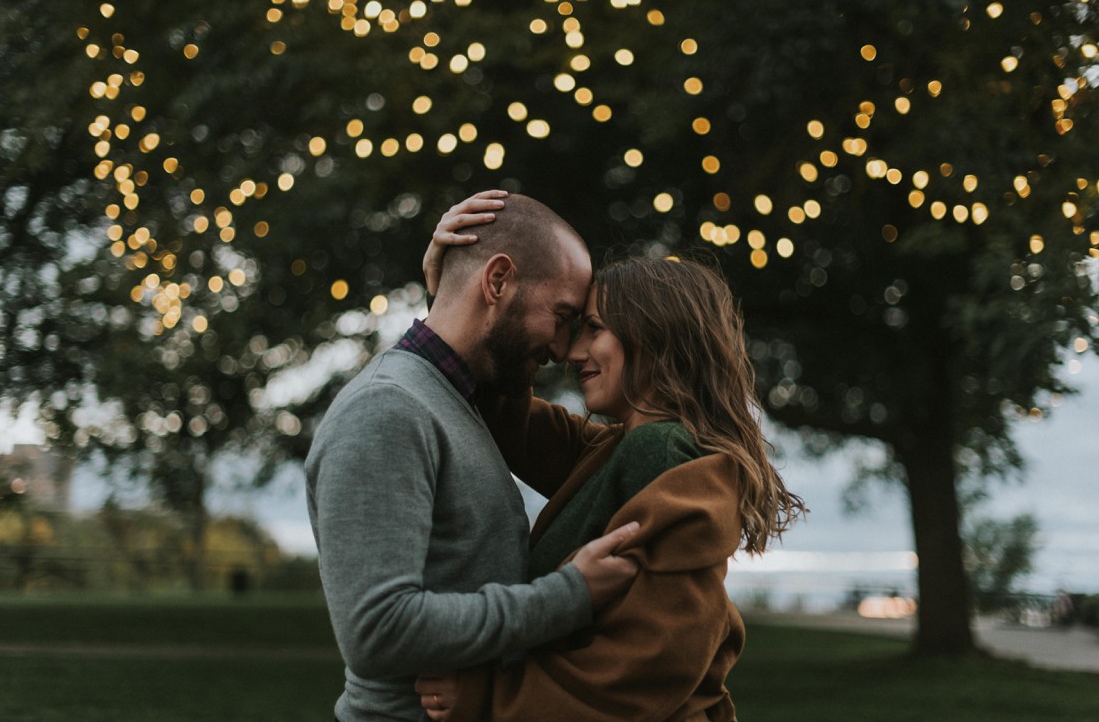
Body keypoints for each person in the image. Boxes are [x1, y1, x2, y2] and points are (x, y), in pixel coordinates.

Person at [416, 194, 805, 721]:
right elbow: (508, 412)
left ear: (653, 336)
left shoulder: (667, 456)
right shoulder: (619, 449)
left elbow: (648, 668)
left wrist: (488, 699)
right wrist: (459, 294)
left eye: (592, 328)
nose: (571, 352)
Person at [305, 192, 642, 722]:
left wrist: (445, 290)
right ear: (498, 280)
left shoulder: (462, 398)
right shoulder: (386, 410)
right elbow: (378, 632)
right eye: (561, 316)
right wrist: (570, 594)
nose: (562, 349)